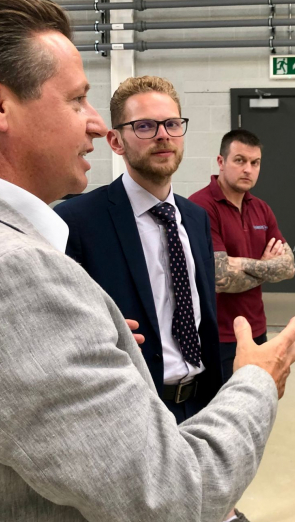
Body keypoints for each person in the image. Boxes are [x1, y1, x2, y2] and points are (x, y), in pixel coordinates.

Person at [0, 0, 295, 522]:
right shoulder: (13, 273)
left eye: (172, 124)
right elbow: (174, 496)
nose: (92, 123)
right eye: (75, 100)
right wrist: (256, 381)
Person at [55, 76, 224, 424]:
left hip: (200, 404)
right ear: (116, 141)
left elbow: (203, 315)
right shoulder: (78, 221)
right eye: (144, 126)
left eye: (172, 124)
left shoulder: (195, 219)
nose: (163, 135)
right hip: (127, 412)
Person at [189, 129, 295, 382]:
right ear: (221, 162)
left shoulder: (261, 209)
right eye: (240, 160)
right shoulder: (200, 207)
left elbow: (289, 267)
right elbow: (219, 276)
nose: (248, 169)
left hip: (257, 330)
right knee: (221, 412)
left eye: (254, 162)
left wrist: (241, 267)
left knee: (259, 404)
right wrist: (264, 265)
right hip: (217, 336)